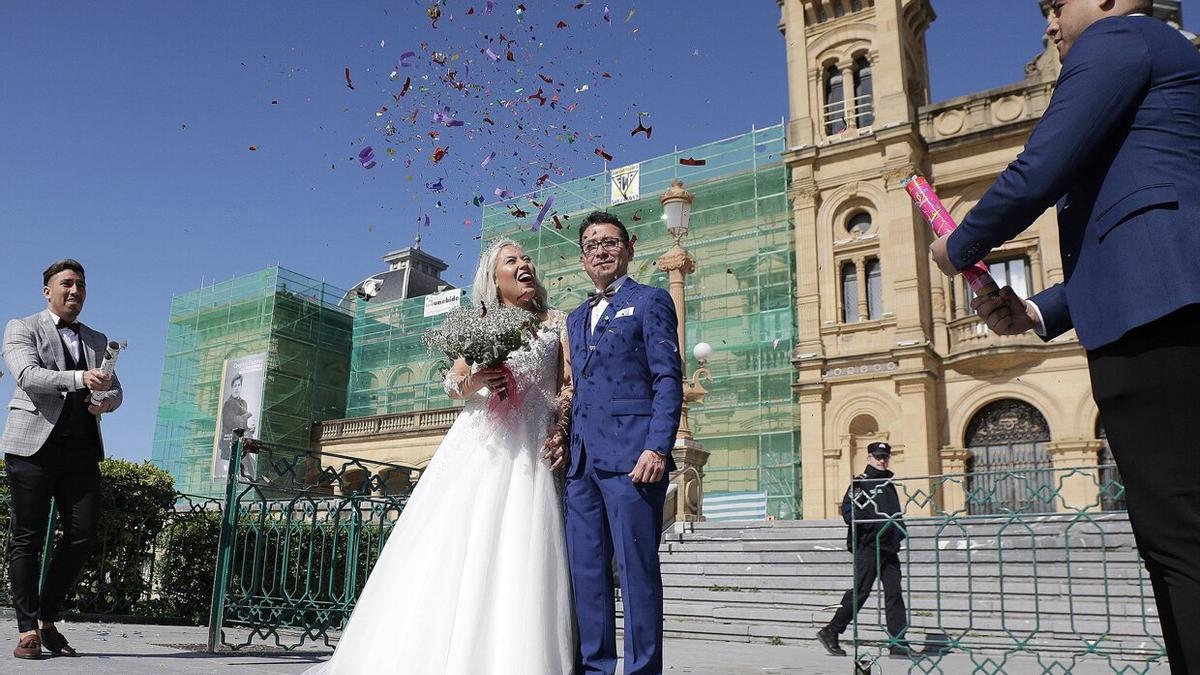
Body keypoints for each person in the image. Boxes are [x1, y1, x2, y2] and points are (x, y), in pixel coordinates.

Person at [928, 2, 1200, 671]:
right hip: (1153, 305)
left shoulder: (1119, 40)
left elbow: (1038, 167)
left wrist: (957, 246)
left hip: (1160, 323)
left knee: (1181, 543)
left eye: (1057, 5)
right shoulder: (1151, 55)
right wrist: (1038, 311)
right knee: (1172, 543)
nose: (1050, 24)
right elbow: (1126, 230)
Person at [305, 238, 574, 674]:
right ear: (494, 277)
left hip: (532, 447)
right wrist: (479, 378)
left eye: (527, 259)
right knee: (454, 549)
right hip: (483, 443)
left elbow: (567, 384)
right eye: (513, 261)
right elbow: (453, 385)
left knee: (524, 549)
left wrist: (561, 424)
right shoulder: (480, 323)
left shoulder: (556, 322)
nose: (525, 264)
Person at [563, 211, 683, 675]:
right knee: (587, 577)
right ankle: (595, 669)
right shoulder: (574, 318)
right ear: (582, 258)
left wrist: (657, 446)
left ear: (628, 248)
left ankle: (641, 670)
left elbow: (667, 378)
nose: (601, 249)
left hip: (634, 461)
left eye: (610, 241)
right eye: (591, 243)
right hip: (582, 467)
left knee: (636, 576)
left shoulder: (651, 301)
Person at [1, 259, 123, 660]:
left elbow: (116, 391)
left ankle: (48, 617)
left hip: (81, 450)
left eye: (81, 286)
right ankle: (27, 630)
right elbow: (28, 375)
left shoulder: (97, 337)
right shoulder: (22, 327)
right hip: (32, 448)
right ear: (47, 290)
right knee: (28, 538)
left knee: (82, 534)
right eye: (67, 284)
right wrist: (79, 379)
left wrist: (103, 401)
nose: (75, 292)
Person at [816, 442, 909, 658]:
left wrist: (898, 532)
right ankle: (831, 631)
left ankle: (898, 642)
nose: (882, 460)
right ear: (869, 458)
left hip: (888, 548)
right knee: (860, 593)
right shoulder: (861, 483)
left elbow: (894, 513)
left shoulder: (888, 483)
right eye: (878, 457)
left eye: (885, 456)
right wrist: (872, 528)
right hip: (868, 546)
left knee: (894, 593)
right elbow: (849, 513)